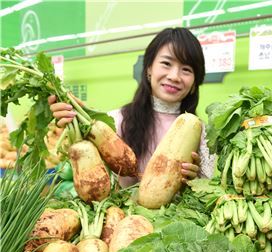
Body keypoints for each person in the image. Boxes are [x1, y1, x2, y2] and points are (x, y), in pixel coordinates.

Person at [49, 27, 215, 186]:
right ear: (149, 69)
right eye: (166, 63)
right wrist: (72, 124)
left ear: (195, 82)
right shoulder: (115, 121)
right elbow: (92, 176)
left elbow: (209, 191)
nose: (174, 76)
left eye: (186, 69)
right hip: (123, 215)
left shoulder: (203, 135)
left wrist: (195, 180)